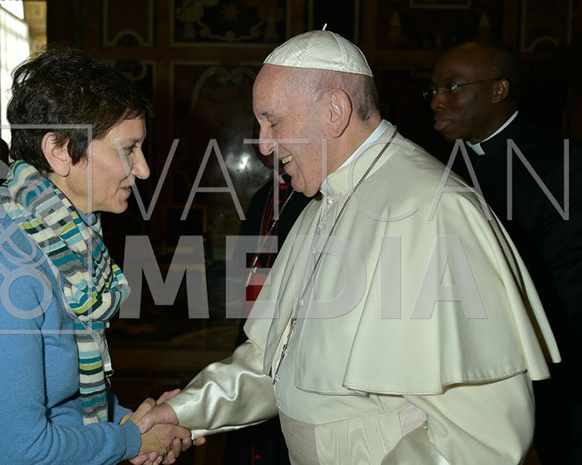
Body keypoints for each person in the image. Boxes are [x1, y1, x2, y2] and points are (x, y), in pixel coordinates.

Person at [135, 30, 560, 465]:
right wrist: (182, 412)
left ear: (334, 111)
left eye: (273, 122)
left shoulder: (435, 210)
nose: (263, 144)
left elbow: (479, 439)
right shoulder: (323, 203)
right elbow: (273, 362)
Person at [0, 46, 200, 465]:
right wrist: (131, 440)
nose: (144, 169)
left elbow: (65, 406)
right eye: (128, 149)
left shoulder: (68, 244)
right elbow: (21, 449)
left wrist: (142, 423)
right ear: (59, 150)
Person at [428, 41, 582, 463]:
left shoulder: (562, 162)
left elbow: (567, 285)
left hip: (548, 368)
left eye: (452, 87)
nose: (437, 101)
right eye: (433, 90)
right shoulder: (436, 165)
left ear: (499, 90)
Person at [225, 147, 311, 465]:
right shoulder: (262, 197)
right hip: (254, 323)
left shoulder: (313, 195)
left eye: (274, 125)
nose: (264, 142)